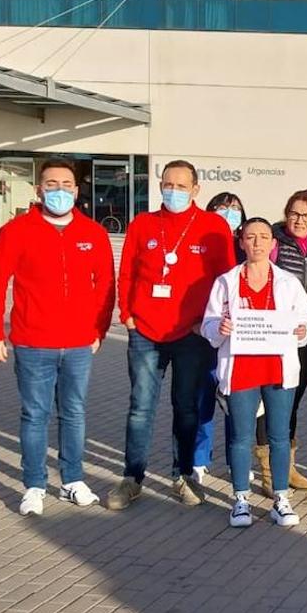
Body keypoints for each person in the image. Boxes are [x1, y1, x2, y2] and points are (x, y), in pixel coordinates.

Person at [0, 158, 116, 516]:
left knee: (74, 413)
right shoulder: (17, 231)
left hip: (78, 344)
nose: (59, 190)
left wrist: (99, 329)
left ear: (76, 189)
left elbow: (105, 286)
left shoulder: (93, 233)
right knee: (35, 415)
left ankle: (72, 480)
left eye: (66, 184)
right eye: (51, 183)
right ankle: (35, 485)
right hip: (32, 341)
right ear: (39, 189)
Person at [108, 160, 237, 510]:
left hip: (191, 335)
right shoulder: (143, 224)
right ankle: (132, 477)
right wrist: (128, 314)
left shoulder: (213, 227)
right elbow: (127, 272)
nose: (173, 192)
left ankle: (184, 475)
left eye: (181, 186)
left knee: (186, 408)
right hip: (145, 333)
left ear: (195, 190)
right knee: (140, 408)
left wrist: (207, 323)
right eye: (168, 184)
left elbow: (226, 282)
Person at [201, 217, 307, 528]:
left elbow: (304, 321)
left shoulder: (288, 283)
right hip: (241, 368)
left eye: (264, 237)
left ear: (273, 244)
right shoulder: (226, 282)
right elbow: (208, 325)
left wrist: (302, 330)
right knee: (240, 436)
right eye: (251, 237)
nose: (258, 243)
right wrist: (219, 328)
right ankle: (240, 499)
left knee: (279, 435)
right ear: (241, 242)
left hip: (277, 367)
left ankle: (280, 498)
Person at [184, 191, 249, 483]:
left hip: (239, 337)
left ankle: (237, 459)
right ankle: (199, 459)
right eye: (223, 208)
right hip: (205, 330)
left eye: (235, 209)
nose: (229, 213)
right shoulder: (201, 242)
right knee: (204, 398)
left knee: (235, 401)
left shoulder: (245, 246)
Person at [269, 189, 307, 491]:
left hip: (306, 334)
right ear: (286, 212)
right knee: (270, 400)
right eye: (294, 213)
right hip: (274, 333)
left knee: (292, 400)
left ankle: (287, 466)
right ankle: (269, 470)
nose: (300, 220)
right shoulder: (273, 241)